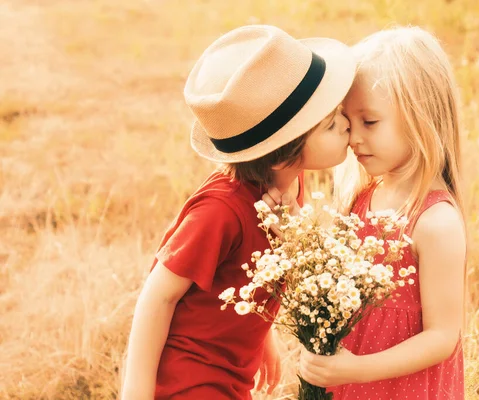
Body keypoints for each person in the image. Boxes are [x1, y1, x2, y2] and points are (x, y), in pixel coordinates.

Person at [120, 24, 356, 400]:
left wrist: (264, 342)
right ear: (283, 151)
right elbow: (158, 295)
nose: (346, 124)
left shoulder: (289, 185)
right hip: (190, 380)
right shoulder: (221, 210)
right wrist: (136, 393)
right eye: (330, 124)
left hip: (230, 375)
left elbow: (245, 278)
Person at [298, 26, 467, 399]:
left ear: (420, 118)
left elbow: (442, 337)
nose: (353, 137)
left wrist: (356, 369)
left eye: (369, 122)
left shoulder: (435, 222)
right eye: (347, 121)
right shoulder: (363, 196)